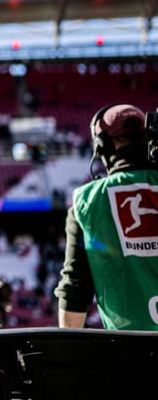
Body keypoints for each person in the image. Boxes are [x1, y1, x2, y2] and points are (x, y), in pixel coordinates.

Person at [53, 103, 158, 330]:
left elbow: (75, 288)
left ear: (103, 147)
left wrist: (64, 350)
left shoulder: (87, 201)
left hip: (130, 348)